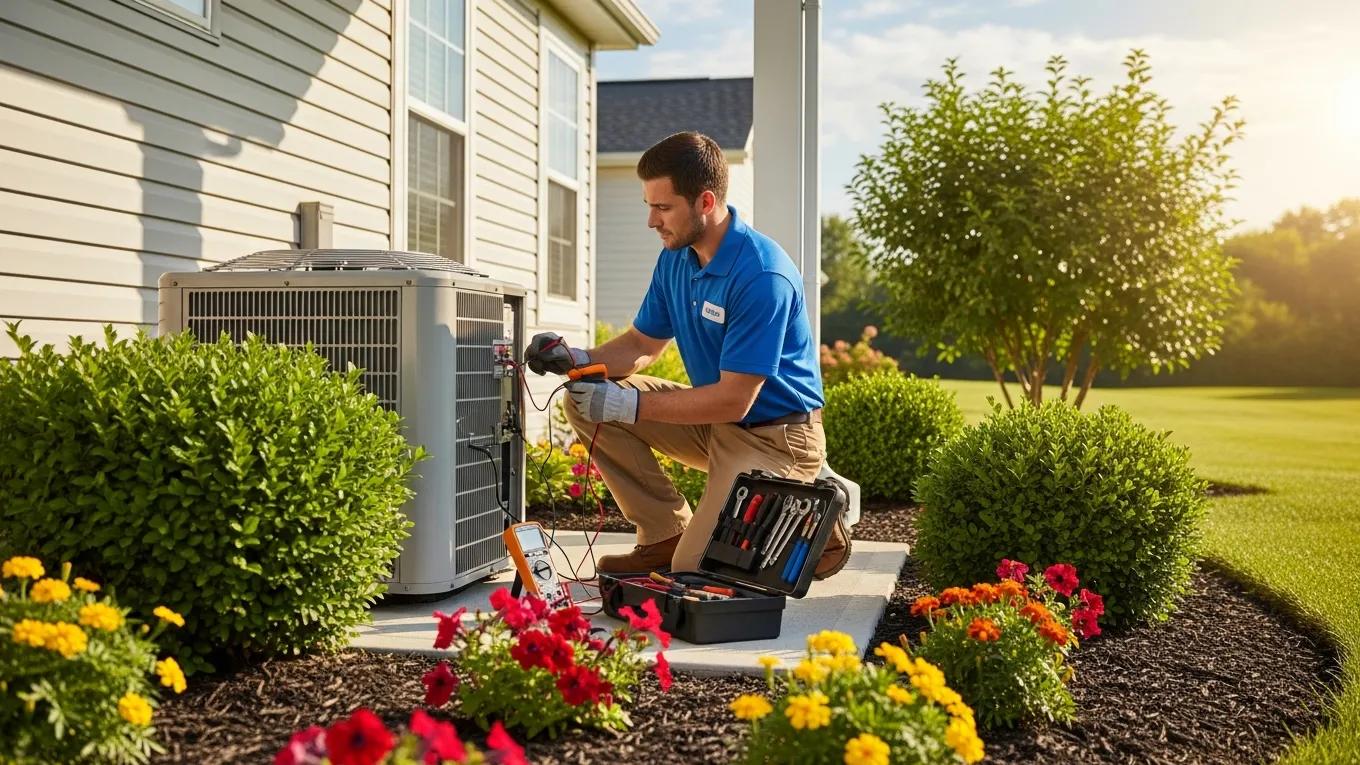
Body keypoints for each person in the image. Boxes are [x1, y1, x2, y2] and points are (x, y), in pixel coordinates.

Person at [524, 131, 850, 578]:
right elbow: (642, 345)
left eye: (663, 207)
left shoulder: (761, 274)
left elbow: (736, 399)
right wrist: (578, 359)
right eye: (649, 207)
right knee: (586, 400)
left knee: (693, 574)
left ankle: (807, 512)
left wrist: (629, 404)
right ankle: (664, 535)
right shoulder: (677, 258)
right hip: (716, 423)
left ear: (706, 202)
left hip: (776, 436)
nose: (652, 221)